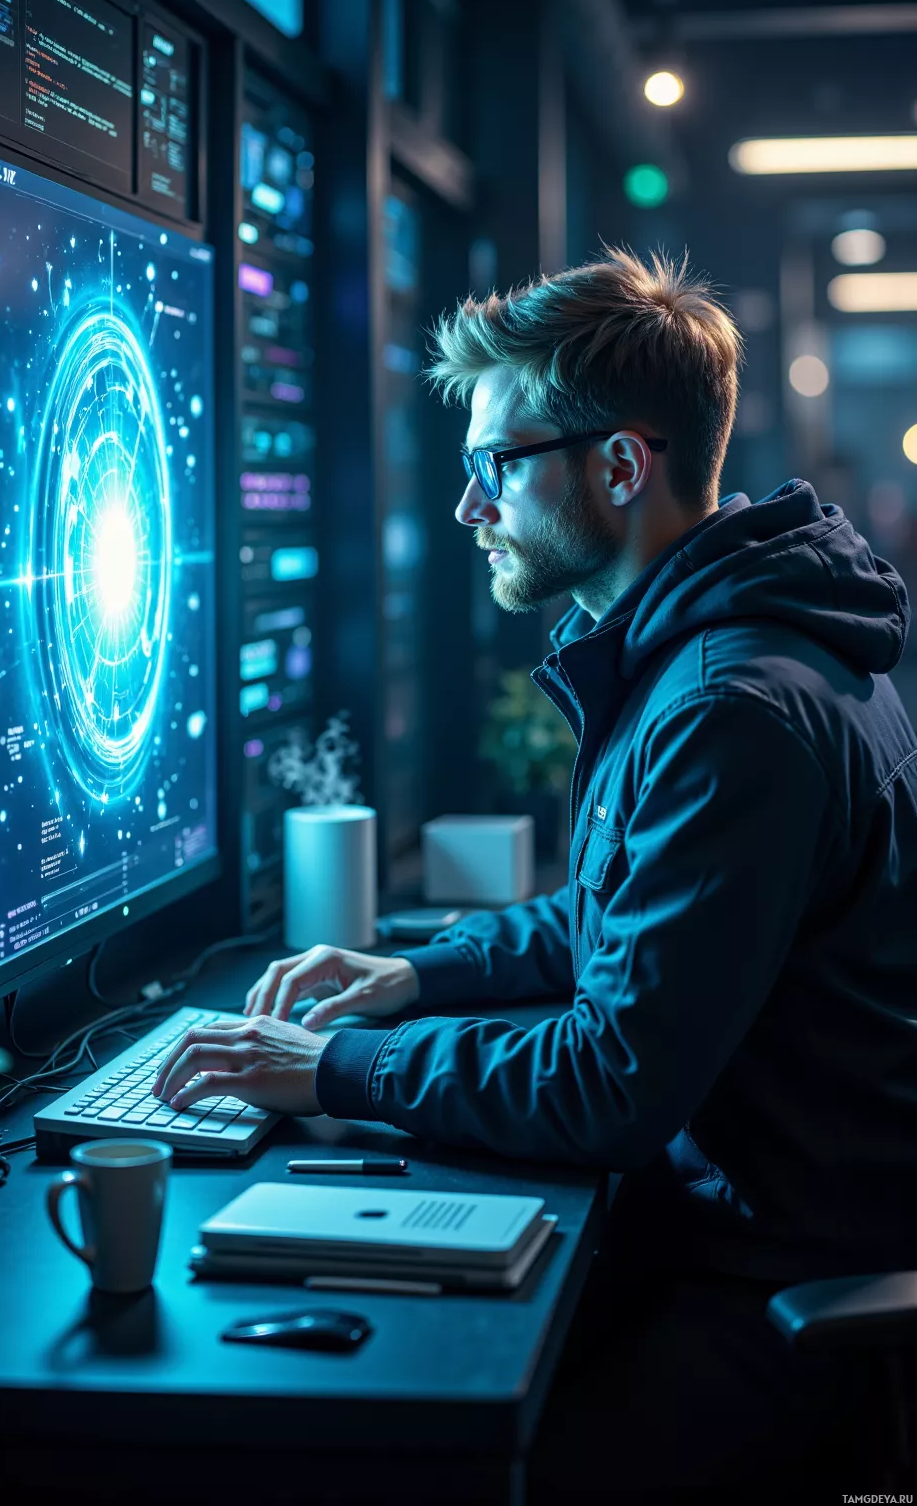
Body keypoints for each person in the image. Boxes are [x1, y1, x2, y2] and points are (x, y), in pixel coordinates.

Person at [155, 249, 917, 1489]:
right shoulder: (713, 650)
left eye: (493, 466)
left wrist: (336, 1067)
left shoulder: (732, 705)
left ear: (620, 464)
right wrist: (410, 976)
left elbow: (612, 1079)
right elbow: (624, 910)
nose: (469, 508)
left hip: (780, 1280)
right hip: (739, 1221)